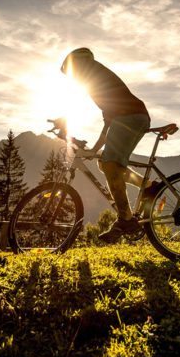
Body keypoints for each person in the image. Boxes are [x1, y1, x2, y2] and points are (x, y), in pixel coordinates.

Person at [60, 48, 150, 243]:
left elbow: (110, 119)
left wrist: (64, 121)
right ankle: (149, 187)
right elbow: (108, 121)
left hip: (130, 117)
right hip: (133, 117)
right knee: (105, 163)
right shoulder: (98, 77)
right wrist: (94, 149)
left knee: (110, 165)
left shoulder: (94, 78)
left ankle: (125, 219)